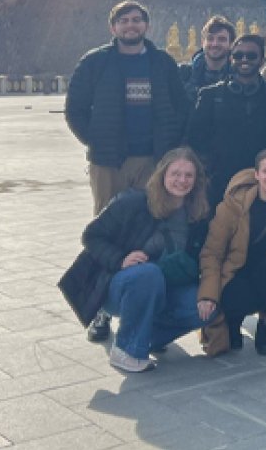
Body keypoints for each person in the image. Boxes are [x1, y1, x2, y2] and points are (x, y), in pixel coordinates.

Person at [65, 148, 213, 373]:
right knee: (148, 273)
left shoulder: (198, 213)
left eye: (188, 175)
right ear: (162, 173)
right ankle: (127, 351)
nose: (181, 180)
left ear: (197, 180)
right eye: (175, 174)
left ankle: (146, 337)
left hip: (166, 287)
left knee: (206, 307)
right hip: (122, 284)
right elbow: (91, 236)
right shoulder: (133, 201)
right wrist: (120, 259)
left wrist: (208, 293)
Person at [65, 0, 188, 221]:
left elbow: (181, 106)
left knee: (148, 217)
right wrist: (96, 139)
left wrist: (169, 142)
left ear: (146, 26)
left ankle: (142, 257)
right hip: (108, 160)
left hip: (152, 157)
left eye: (136, 20)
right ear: (113, 28)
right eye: (123, 21)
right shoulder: (95, 62)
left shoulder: (162, 62)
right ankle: (107, 257)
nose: (130, 25)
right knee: (107, 219)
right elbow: (75, 109)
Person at [196, 148, 266, 356]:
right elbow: (211, 252)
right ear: (257, 174)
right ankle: (233, 324)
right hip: (236, 271)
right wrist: (207, 295)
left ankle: (264, 325)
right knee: (235, 295)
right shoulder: (232, 205)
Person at [187, 34, 266, 209]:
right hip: (218, 182)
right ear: (230, 59)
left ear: (262, 60)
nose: (244, 59)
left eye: (251, 56)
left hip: (263, 180)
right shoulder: (210, 95)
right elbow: (195, 139)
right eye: (238, 55)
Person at [180, 16, 236, 102]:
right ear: (202, 42)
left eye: (221, 39)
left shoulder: (239, 77)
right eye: (210, 38)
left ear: (231, 44)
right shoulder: (184, 74)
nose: (215, 44)